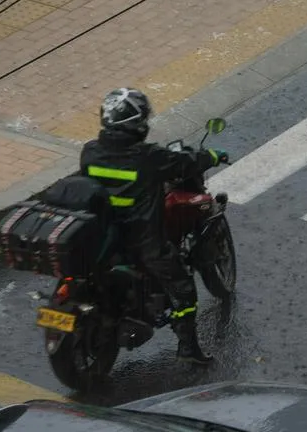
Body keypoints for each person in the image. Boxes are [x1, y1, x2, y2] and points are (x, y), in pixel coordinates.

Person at [80, 87, 227, 364]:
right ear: (135, 124)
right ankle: (188, 346)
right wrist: (214, 156)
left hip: (103, 239)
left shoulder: (89, 152)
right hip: (142, 241)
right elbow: (185, 163)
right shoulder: (147, 157)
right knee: (183, 286)